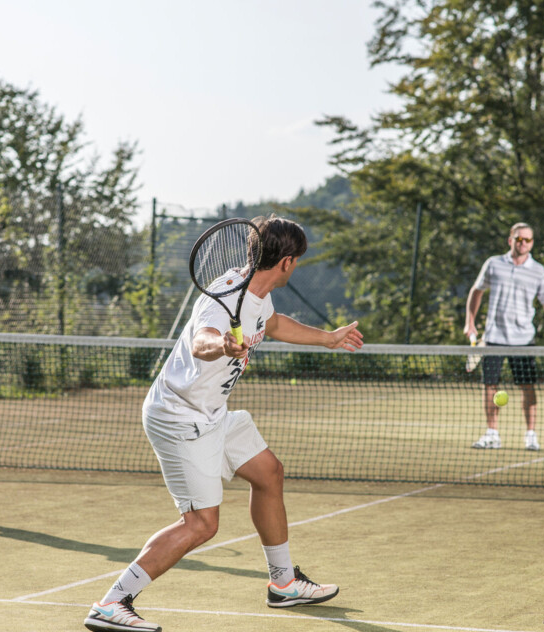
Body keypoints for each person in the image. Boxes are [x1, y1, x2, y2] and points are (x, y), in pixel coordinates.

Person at [83, 215, 365, 632]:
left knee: (268, 472)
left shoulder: (259, 292)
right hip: (180, 415)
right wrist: (223, 345)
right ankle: (112, 602)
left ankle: (283, 583)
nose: (297, 266)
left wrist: (329, 336)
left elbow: (272, 324)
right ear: (286, 262)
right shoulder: (224, 293)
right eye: (299, 260)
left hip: (213, 412)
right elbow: (201, 340)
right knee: (201, 524)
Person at [464, 222, 544, 451]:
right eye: (519, 239)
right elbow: (476, 291)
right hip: (494, 337)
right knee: (490, 386)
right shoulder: (493, 264)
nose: (523, 243)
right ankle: (492, 434)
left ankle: (530, 435)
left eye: (528, 240)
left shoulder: (538, 271)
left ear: (532, 243)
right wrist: (469, 322)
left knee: (527, 386)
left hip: (523, 339)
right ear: (510, 240)